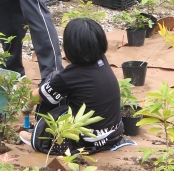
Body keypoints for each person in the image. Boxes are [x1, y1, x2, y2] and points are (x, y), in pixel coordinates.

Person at [26, 19, 124, 154]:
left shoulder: (69, 76)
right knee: (56, 84)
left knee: (51, 82)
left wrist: (26, 109)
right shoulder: (102, 60)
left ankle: (38, 131)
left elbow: (37, 95)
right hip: (113, 134)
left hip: (86, 140)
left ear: (70, 48)